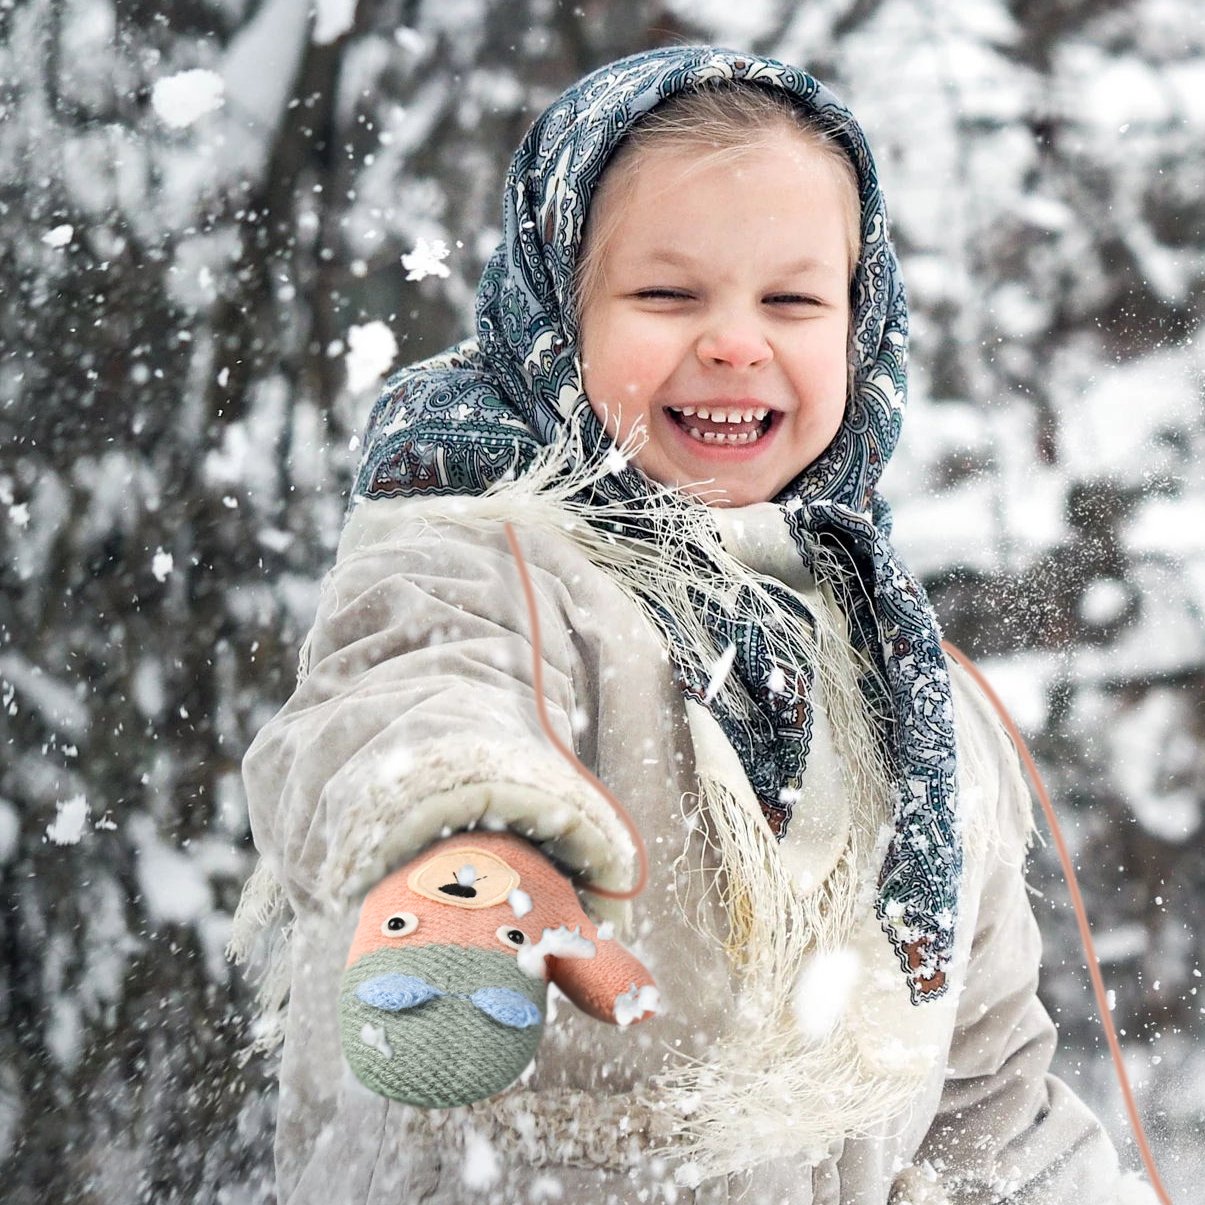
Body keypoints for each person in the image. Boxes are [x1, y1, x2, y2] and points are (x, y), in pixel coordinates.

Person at [231, 45, 1159, 1205]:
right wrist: (476, 843)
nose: (733, 341)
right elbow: (407, 695)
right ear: (554, 311)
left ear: (859, 328)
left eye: (791, 299)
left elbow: (987, 1103)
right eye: (667, 295)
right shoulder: (483, 556)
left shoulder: (911, 697)